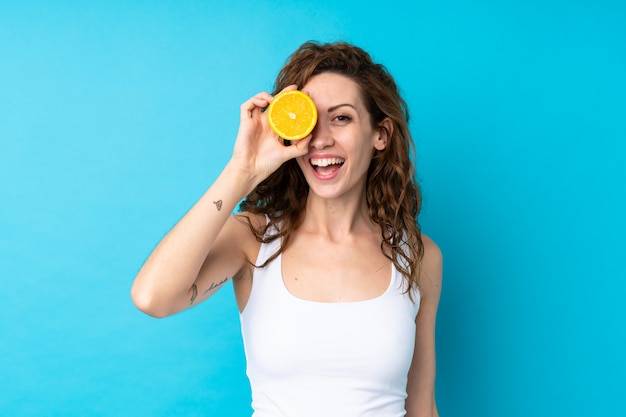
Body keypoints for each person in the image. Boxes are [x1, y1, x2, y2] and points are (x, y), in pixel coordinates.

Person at [131, 41, 442, 417]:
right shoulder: (253, 240)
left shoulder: (419, 256)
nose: (321, 138)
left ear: (381, 134)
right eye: (309, 118)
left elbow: (422, 408)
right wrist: (241, 170)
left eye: (341, 118)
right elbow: (152, 298)